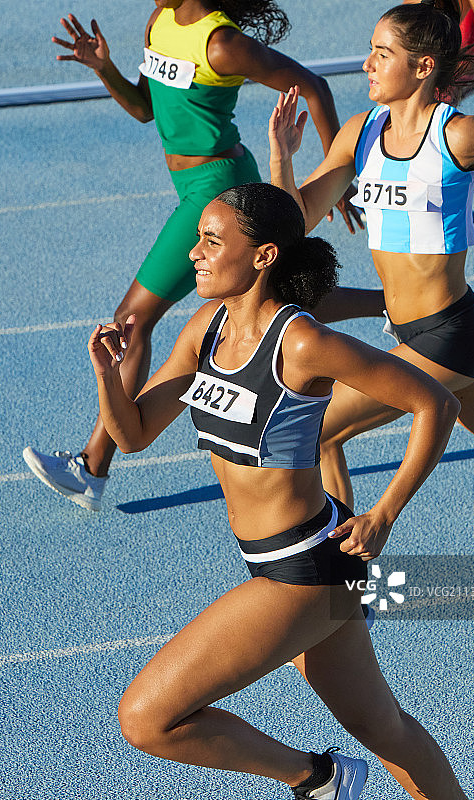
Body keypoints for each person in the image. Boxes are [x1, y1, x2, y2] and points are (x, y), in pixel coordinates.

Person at [88, 182, 464, 800]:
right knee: (383, 727)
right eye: (197, 240)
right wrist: (108, 376)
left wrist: (385, 512)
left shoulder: (303, 343)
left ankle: (316, 777)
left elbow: (435, 403)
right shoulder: (205, 329)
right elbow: (131, 436)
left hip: (304, 569)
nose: (195, 254)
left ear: (262, 256)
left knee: (147, 718)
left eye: (211, 240)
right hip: (289, 562)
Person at [23, 0, 355, 511]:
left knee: (131, 318)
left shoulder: (221, 43)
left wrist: (340, 170)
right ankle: (384, 311)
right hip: (190, 185)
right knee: (259, 304)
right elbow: (144, 107)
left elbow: (315, 84)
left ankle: (92, 467)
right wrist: (104, 67)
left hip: (217, 186)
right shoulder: (159, 22)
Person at [268, 0, 474, 509]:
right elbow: (297, 220)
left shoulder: (459, 134)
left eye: (382, 53)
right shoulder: (361, 133)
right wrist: (281, 158)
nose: (367, 64)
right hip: (410, 331)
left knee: (318, 430)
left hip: (450, 334)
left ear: (423, 67)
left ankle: (340, 578)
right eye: (370, 52)